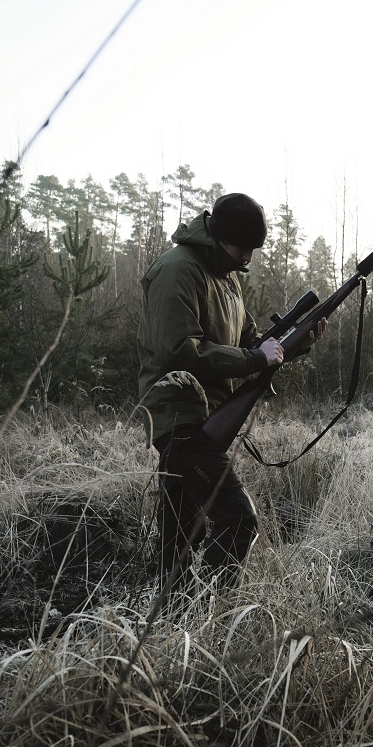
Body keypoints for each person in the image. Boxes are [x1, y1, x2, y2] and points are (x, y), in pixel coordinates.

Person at [136, 192, 318, 593]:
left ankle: (172, 620)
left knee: (180, 539)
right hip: (181, 417)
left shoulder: (227, 276)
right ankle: (210, 611)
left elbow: (251, 339)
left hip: (208, 418)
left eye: (254, 249)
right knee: (238, 519)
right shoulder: (177, 270)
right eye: (243, 247)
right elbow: (180, 349)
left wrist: (297, 342)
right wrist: (255, 360)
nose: (248, 257)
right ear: (219, 237)